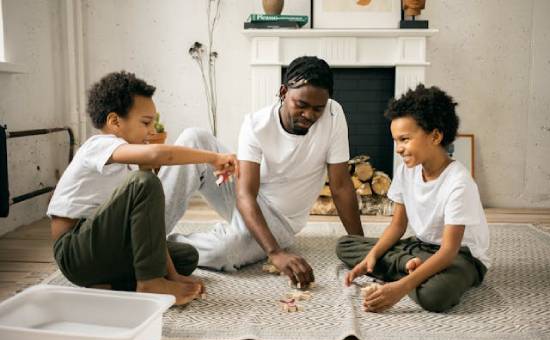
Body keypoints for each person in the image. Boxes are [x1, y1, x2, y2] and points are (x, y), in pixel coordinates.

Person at [160, 56, 364, 288]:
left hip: (281, 221)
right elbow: (245, 193)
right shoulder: (256, 125)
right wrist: (274, 252)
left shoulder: (334, 115)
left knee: (225, 253)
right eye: (301, 105)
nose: (309, 115)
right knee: (193, 138)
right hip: (247, 197)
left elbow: (340, 186)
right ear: (283, 92)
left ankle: (164, 247)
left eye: (318, 108)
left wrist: (361, 246)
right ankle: (144, 237)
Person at [47, 71, 238, 305]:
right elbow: (159, 153)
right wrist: (213, 157)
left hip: (104, 254)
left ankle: (110, 286)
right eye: (145, 123)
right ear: (114, 121)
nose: (151, 131)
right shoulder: (98, 145)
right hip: (75, 252)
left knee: (187, 256)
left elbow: (152, 228)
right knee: (145, 181)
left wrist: (173, 275)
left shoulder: (126, 167)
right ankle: (150, 284)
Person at [337, 84, 490, 313]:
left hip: (460, 257)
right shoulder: (406, 170)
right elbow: (398, 225)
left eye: (405, 139)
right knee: (345, 244)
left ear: (435, 136)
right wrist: (372, 256)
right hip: (419, 246)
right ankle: (412, 268)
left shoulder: (459, 183)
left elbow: (448, 251)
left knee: (435, 296)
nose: (398, 149)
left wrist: (399, 289)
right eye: (396, 141)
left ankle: (408, 271)